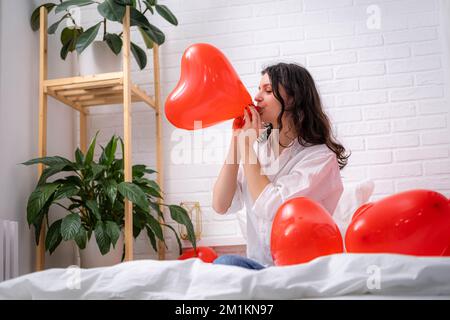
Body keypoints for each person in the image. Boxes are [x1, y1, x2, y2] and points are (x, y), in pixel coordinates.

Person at [211, 63, 349, 270]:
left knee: (225, 264)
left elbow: (273, 208)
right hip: (261, 267)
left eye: (267, 90)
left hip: (303, 269)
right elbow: (221, 205)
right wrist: (237, 141)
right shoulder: (259, 152)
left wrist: (247, 146)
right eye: (258, 89)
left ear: (293, 99)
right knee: (222, 265)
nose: (256, 97)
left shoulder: (319, 157)